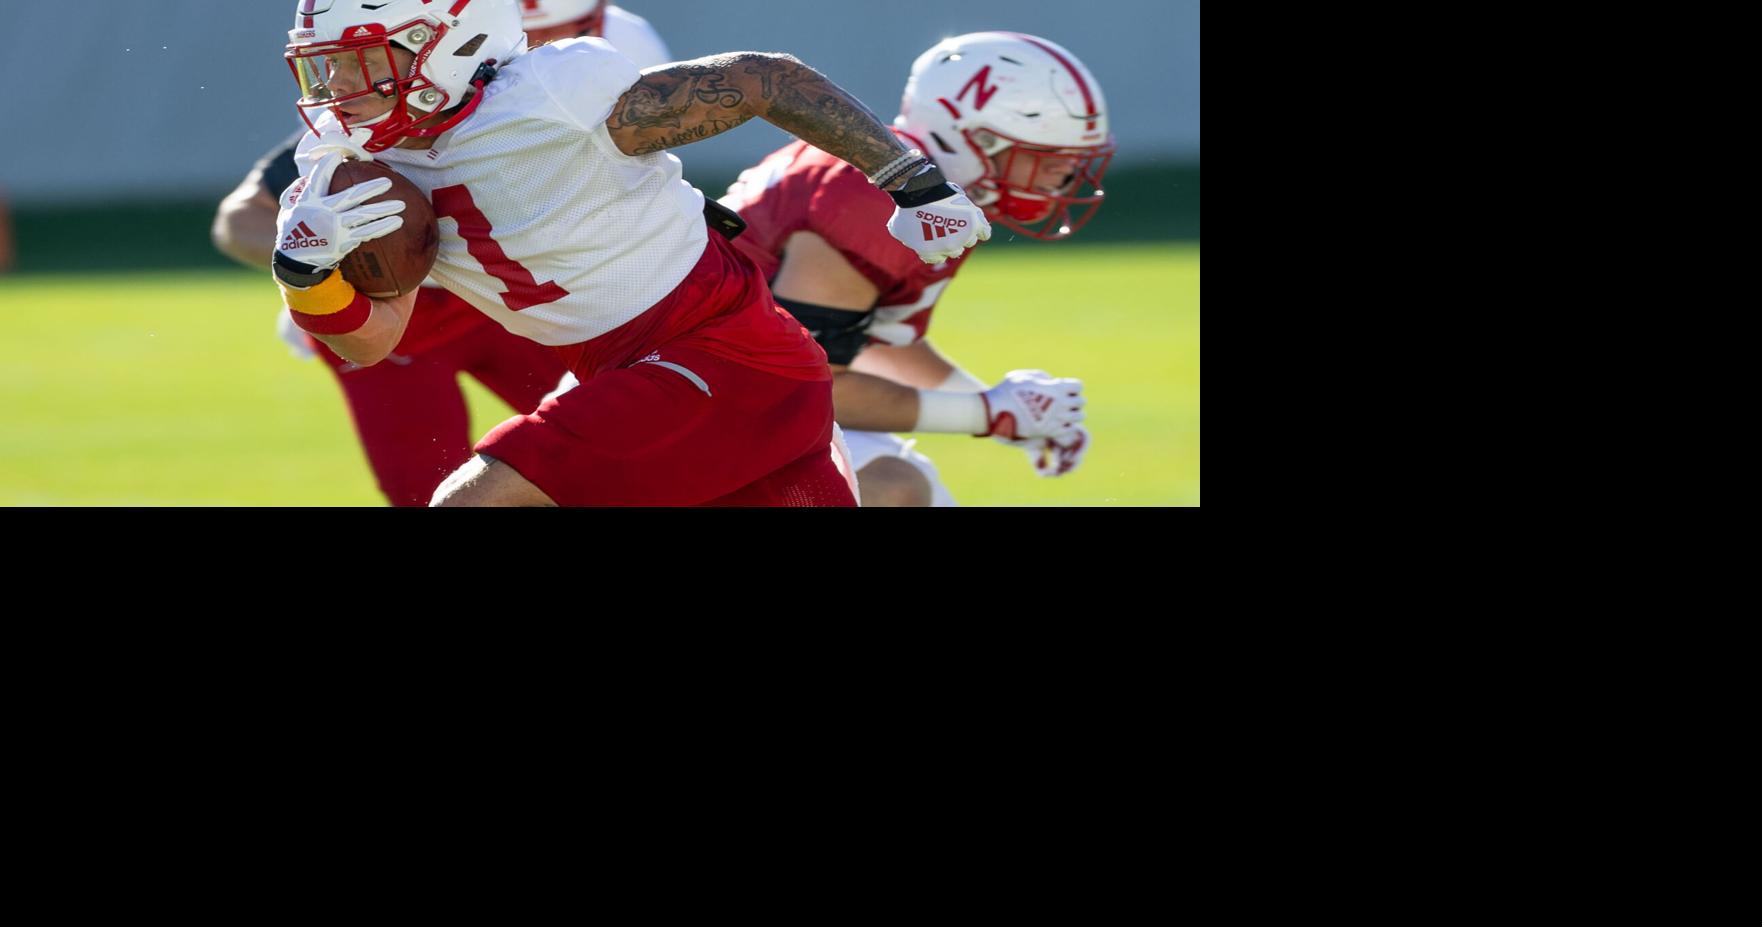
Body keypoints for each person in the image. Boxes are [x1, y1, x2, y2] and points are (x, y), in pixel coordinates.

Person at [271, 0, 989, 506]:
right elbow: (374, 341)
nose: (340, 91)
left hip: (724, 350)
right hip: (645, 373)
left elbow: (762, 78)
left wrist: (913, 182)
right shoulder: (350, 169)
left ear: (450, 44)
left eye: (362, 63)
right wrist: (304, 276)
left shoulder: (548, 95)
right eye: (325, 68)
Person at [211, 0, 672, 506]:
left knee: (627, 460)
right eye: (335, 61)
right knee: (425, 487)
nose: (337, 84)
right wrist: (320, 260)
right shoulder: (355, 130)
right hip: (412, 306)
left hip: (521, 295)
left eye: (566, 26)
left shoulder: (575, 67)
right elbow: (239, 221)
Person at [719, 32, 1109, 506]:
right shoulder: (872, 199)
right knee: (893, 489)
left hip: (733, 384)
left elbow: (881, 339)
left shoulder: (926, 190)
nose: (1063, 177)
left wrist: (1011, 413)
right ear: (972, 140)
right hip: (695, 387)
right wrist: (989, 414)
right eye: (1045, 157)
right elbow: (804, 386)